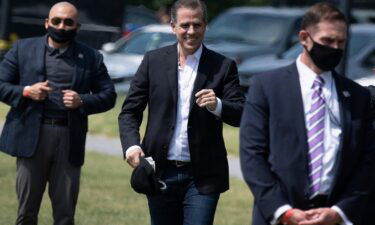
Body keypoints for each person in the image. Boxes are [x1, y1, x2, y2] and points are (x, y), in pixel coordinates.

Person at [240, 2, 375, 225]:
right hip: (281, 216)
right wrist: (283, 210)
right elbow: (252, 154)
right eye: (327, 41)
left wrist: (340, 212)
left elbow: (367, 161)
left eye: (341, 42)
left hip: (335, 216)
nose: (335, 48)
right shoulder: (267, 87)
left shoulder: (356, 96)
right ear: (304, 38)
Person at [118, 0, 245, 224]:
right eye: (185, 25)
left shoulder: (223, 66)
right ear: (173, 26)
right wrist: (131, 145)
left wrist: (218, 105)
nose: (191, 31)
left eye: (197, 25)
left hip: (202, 176)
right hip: (159, 170)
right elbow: (129, 111)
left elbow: (241, 113)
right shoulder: (153, 61)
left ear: (205, 25)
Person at [0, 2, 116, 225]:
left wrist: (82, 100)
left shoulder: (91, 57)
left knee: (65, 214)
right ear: (47, 23)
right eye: (56, 21)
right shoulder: (22, 49)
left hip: (68, 137)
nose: (61, 26)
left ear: (77, 27)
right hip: (31, 136)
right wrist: (26, 91)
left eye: (68, 22)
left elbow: (109, 95)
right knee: (26, 212)